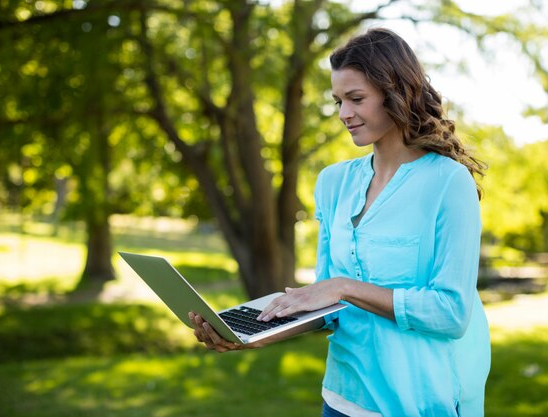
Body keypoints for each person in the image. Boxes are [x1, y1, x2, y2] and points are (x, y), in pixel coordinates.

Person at [189, 27, 491, 417]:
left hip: (416, 402)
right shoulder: (334, 182)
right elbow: (329, 305)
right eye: (338, 101)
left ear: (396, 93)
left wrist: (345, 288)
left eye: (356, 99)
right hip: (341, 399)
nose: (344, 114)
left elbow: (450, 313)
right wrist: (260, 332)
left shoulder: (447, 182)